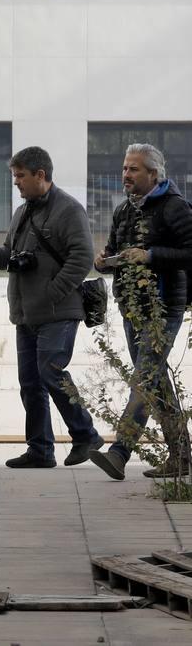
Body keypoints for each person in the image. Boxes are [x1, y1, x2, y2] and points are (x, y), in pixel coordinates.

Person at [0, 147, 101, 469]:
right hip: (25, 314)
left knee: (50, 371)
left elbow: (82, 258)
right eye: (15, 176)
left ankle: (85, 435)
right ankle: (40, 449)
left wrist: (53, 292)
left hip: (58, 312)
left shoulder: (69, 210)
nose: (16, 183)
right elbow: (11, 258)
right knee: (30, 384)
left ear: (41, 175)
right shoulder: (23, 212)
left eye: (20, 176)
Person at [88, 143, 192, 481]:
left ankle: (119, 452)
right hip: (132, 308)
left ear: (153, 174)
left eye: (133, 169)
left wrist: (149, 256)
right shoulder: (124, 210)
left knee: (144, 378)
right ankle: (181, 458)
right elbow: (116, 250)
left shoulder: (174, 207)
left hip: (164, 308)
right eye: (124, 168)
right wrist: (104, 261)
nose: (125, 175)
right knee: (156, 381)